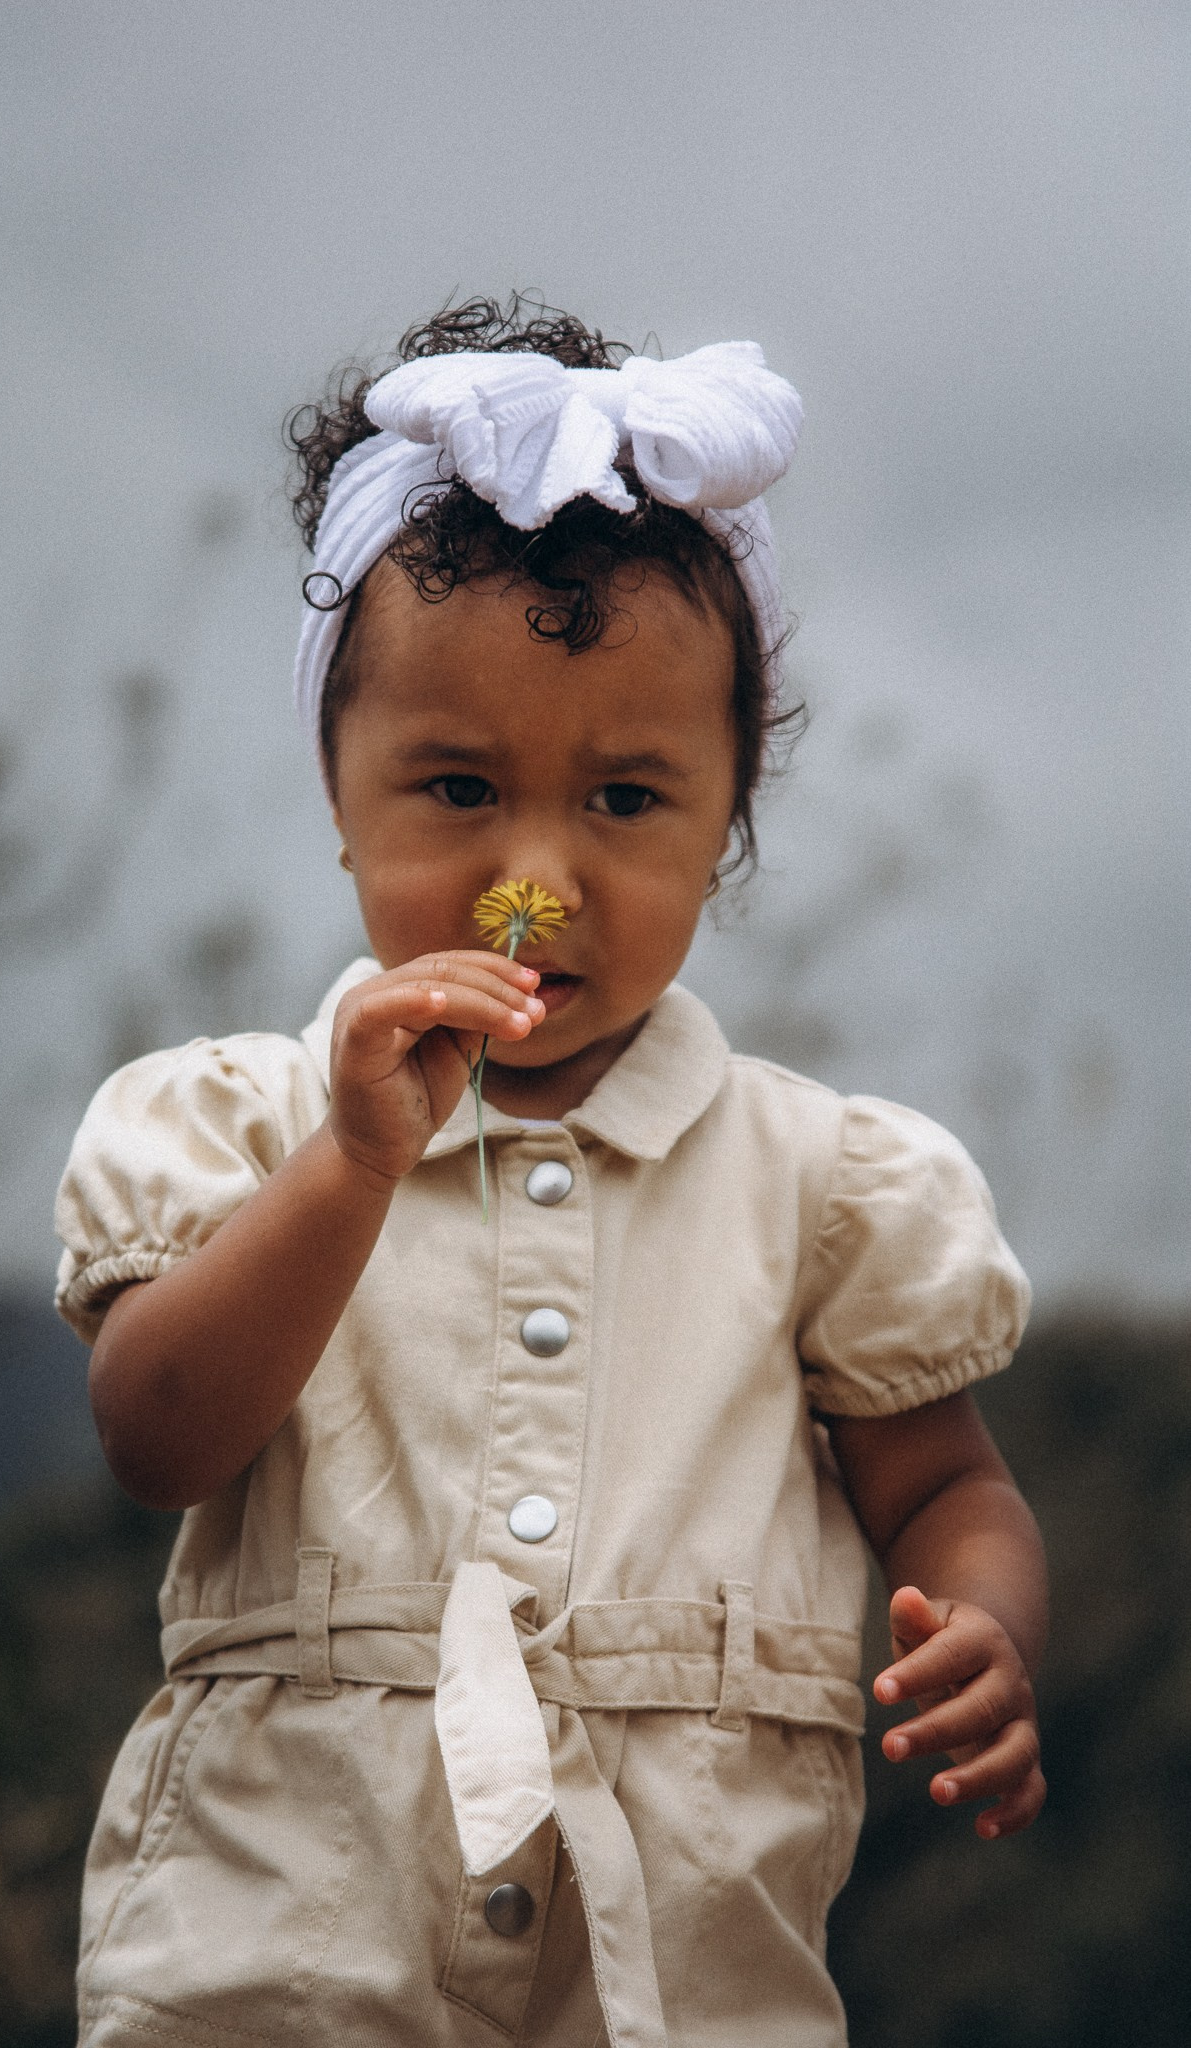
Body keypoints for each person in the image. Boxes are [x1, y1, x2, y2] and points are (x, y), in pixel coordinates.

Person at [55, 299, 1047, 2048]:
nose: (537, 878)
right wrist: (350, 1168)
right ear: (338, 797)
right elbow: (156, 1439)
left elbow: (945, 1486)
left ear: (727, 824)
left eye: (626, 801)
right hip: (282, 1959)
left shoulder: (821, 1183)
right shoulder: (241, 1126)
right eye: (455, 787)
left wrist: (981, 1624)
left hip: (678, 1985)